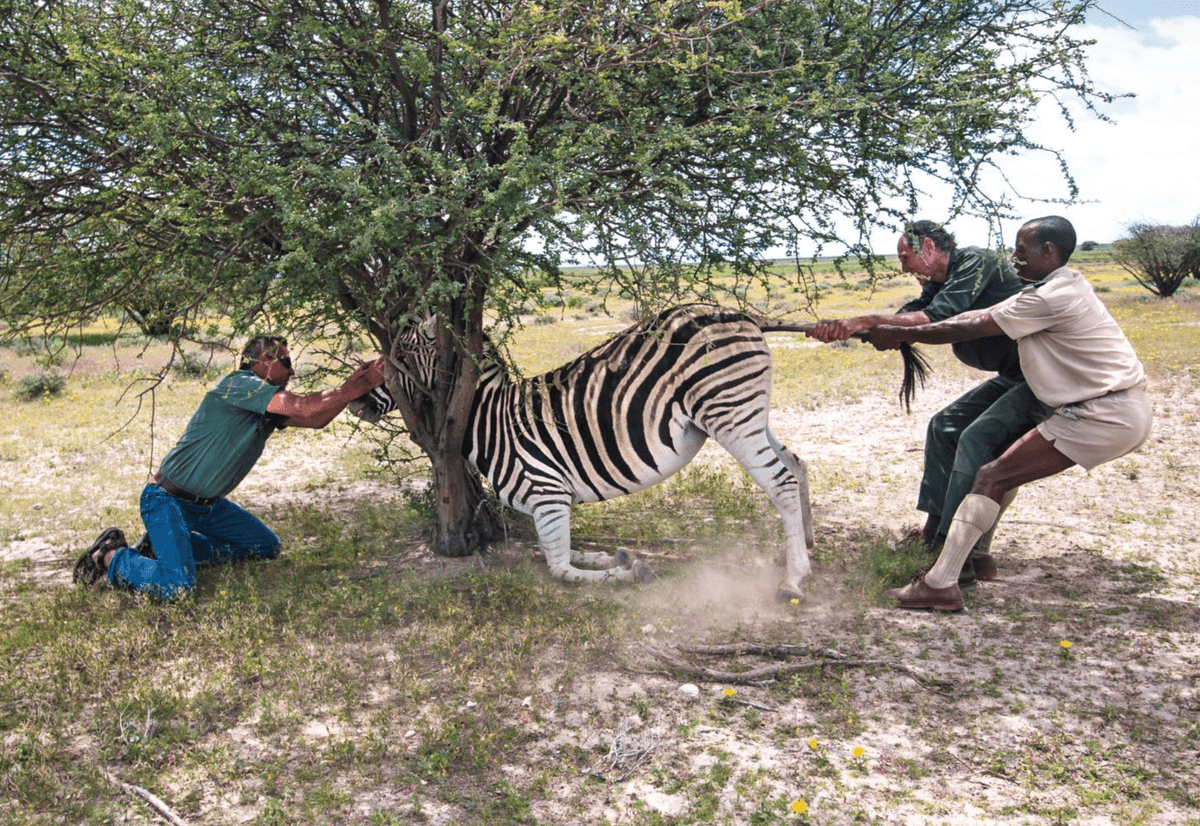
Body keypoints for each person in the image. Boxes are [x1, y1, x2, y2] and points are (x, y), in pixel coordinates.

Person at [867, 216, 1152, 610]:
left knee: (992, 474)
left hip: (1102, 413)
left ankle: (945, 578)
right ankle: (969, 556)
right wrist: (883, 325)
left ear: (1049, 252)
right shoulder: (1051, 286)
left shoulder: (1050, 297)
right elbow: (965, 317)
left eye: (1022, 249)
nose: (1013, 257)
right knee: (982, 447)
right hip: (1095, 403)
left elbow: (971, 327)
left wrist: (902, 332)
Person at [807, 221, 1045, 577]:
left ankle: (957, 549)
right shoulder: (938, 283)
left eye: (906, 257)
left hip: (1039, 378)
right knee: (944, 425)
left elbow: (937, 316)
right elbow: (909, 316)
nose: (904, 268)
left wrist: (864, 320)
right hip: (1013, 376)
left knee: (975, 439)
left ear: (930, 247)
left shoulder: (974, 262)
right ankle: (934, 534)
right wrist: (850, 327)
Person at [72, 336, 386, 600]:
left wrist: (353, 392)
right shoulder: (241, 384)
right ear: (264, 360)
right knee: (176, 586)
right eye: (286, 363)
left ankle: (162, 549)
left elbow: (315, 419)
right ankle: (112, 557)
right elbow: (303, 406)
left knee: (264, 546)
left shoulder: (265, 402)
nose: (292, 371)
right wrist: (349, 389)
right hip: (166, 499)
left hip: (206, 507)